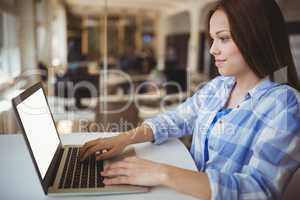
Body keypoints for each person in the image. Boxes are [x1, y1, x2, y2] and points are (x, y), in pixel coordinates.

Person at [79, 0, 300, 199]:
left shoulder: (285, 104)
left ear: (256, 38)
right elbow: (177, 119)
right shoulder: (220, 86)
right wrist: (125, 138)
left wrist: (160, 172)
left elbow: (259, 190)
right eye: (213, 39)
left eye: (223, 38)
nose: (213, 49)